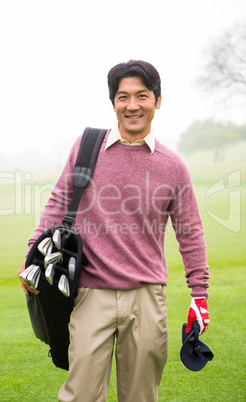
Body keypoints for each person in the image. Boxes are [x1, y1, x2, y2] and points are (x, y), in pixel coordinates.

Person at [19, 60, 210, 402]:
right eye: (123, 97)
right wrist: (33, 253)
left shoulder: (173, 167)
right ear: (114, 103)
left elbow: (190, 232)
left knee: (141, 396)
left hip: (147, 297)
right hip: (91, 294)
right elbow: (58, 202)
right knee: (80, 396)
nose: (132, 105)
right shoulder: (86, 147)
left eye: (142, 96)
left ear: (158, 100)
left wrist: (199, 296)